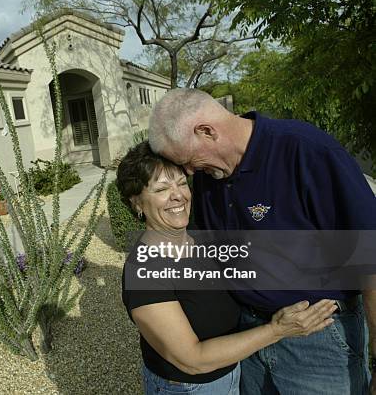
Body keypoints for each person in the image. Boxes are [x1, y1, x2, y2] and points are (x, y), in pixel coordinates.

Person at [148, 88, 376, 394]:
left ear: (207, 131)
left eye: (188, 161)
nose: (189, 172)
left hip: (318, 342)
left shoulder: (306, 151)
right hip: (249, 340)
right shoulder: (210, 174)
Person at [118, 141, 337, 395]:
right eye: (162, 189)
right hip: (188, 388)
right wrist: (277, 330)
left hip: (235, 373)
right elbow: (192, 359)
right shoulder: (144, 271)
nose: (178, 195)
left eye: (180, 183)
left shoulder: (199, 235)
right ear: (137, 203)